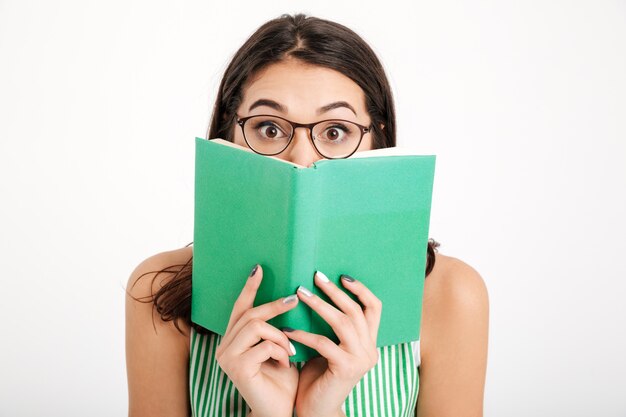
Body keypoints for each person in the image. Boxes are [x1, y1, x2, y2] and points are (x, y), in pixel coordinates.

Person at [125, 13, 489, 417]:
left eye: (335, 132)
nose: (302, 159)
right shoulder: (158, 293)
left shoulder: (452, 297)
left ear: (377, 141)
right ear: (228, 134)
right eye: (268, 128)